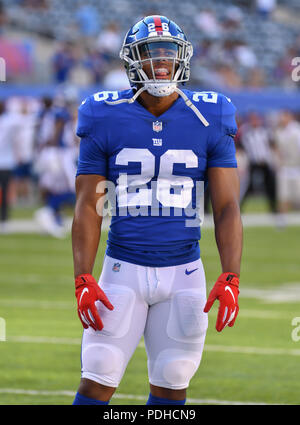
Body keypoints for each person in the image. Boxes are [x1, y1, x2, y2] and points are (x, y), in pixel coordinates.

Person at [72, 15, 243, 406]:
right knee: (97, 377)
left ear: (183, 59)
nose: (162, 62)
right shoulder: (103, 114)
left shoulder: (211, 113)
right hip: (122, 269)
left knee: (172, 382)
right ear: (132, 61)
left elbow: (228, 206)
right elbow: (89, 204)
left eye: (169, 54)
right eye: (152, 54)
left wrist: (231, 275)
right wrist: (82, 276)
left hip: (185, 272)